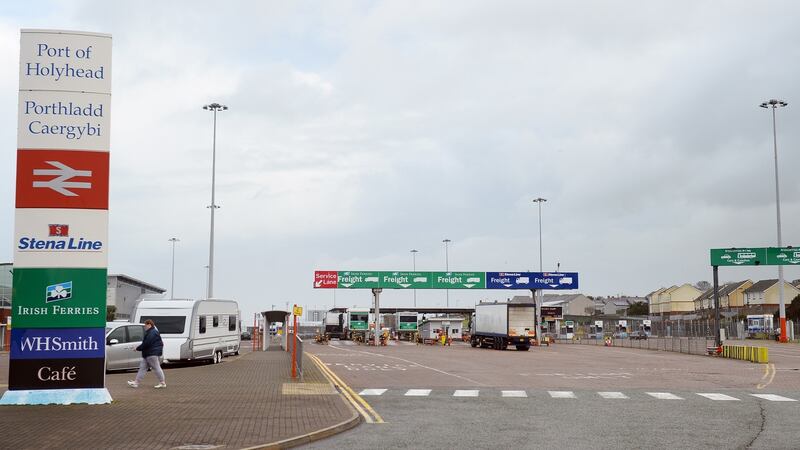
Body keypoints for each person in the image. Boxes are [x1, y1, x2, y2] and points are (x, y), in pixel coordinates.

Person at [127, 319, 166, 389]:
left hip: (151, 354)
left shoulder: (152, 333)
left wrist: (137, 348)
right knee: (142, 368)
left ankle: (162, 383)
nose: (145, 327)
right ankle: (136, 383)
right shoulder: (152, 332)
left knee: (156, 367)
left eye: (145, 326)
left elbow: (146, 343)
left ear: (149, 325)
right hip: (148, 354)